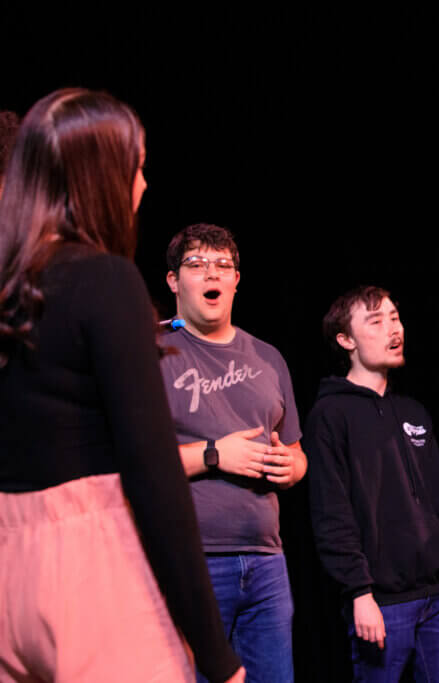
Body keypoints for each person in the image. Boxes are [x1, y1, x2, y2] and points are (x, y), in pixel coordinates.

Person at [0, 89, 243, 682]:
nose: (142, 184)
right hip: (86, 564)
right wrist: (216, 653)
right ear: (99, 177)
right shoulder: (105, 281)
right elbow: (154, 477)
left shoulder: (11, 284)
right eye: (135, 166)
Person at [160, 222, 306, 683]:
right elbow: (126, 465)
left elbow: (298, 452)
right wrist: (213, 454)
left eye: (223, 265)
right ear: (173, 280)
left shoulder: (267, 357)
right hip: (191, 559)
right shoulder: (152, 351)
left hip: (266, 563)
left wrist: (291, 467)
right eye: (197, 265)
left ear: (236, 280)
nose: (212, 275)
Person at [305, 285, 439, 682]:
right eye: (376, 321)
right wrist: (359, 593)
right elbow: (332, 513)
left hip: (438, 600)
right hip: (382, 602)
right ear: (346, 340)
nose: (393, 329)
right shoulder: (331, 413)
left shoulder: (413, 411)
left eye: (395, 317)